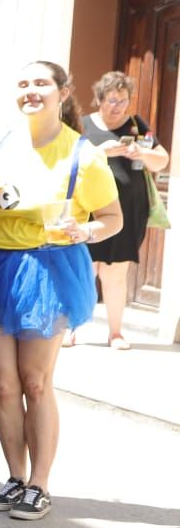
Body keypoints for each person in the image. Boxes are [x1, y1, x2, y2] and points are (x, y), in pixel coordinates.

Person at [0, 61, 121, 520]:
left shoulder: (84, 154)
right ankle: (15, 477)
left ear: (62, 93)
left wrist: (85, 230)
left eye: (41, 83)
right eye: (23, 83)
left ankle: (40, 484)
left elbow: (112, 219)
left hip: (49, 268)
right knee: (3, 383)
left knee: (35, 383)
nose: (31, 91)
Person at [80, 70, 169, 349]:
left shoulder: (137, 126)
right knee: (86, 269)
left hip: (129, 211)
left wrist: (143, 153)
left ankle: (115, 333)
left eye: (123, 100)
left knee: (116, 273)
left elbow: (161, 160)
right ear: (99, 99)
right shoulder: (82, 125)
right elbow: (67, 162)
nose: (117, 106)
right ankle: (72, 329)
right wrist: (102, 152)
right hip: (91, 210)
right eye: (111, 100)